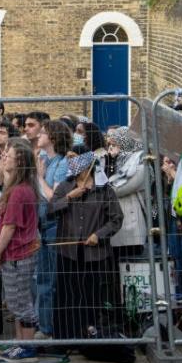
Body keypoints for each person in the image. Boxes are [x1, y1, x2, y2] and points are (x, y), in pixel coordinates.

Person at [48, 151, 123, 341]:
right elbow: (49, 210)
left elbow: (116, 219)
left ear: (87, 163)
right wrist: (70, 197)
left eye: (74, 158)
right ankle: (68, 336)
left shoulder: (104, 189)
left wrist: (99, 235)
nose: (70, 162)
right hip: (69, 253)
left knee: (92, 296)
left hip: (95, 254)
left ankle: (92, 337)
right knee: (69, 296)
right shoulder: (66, 186)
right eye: (69, 158)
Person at [0, 139, 41, 363]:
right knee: (16, 300)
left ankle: (28, 347)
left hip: (18, 253)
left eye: (8, 155)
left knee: (20, 300)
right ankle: (21, 344)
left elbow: (9, 225)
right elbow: (5, 215)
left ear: (19, 161)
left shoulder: (20, 191)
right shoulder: (18, 188)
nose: (4, 157)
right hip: (16, 253)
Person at [34, 120, 72, 339]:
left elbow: (53, 197)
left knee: (49, 280)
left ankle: (48, 330)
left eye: (44, 132)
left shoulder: (63, 163)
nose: (39, 134)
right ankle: (43, 325)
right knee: (42, 279)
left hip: (55, 226)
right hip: (43, 225)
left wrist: (39, 177)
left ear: (54, 137)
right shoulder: (46, 160)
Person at [106, 127, 147, 257]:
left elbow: (118, 189)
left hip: (131, 226)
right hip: (111, 224)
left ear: (126, 142)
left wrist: (103, 187)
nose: (111, 148)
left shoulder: (141, 163)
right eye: (110, 145)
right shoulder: (112, 161)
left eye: (115, 144)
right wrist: (110, 162)